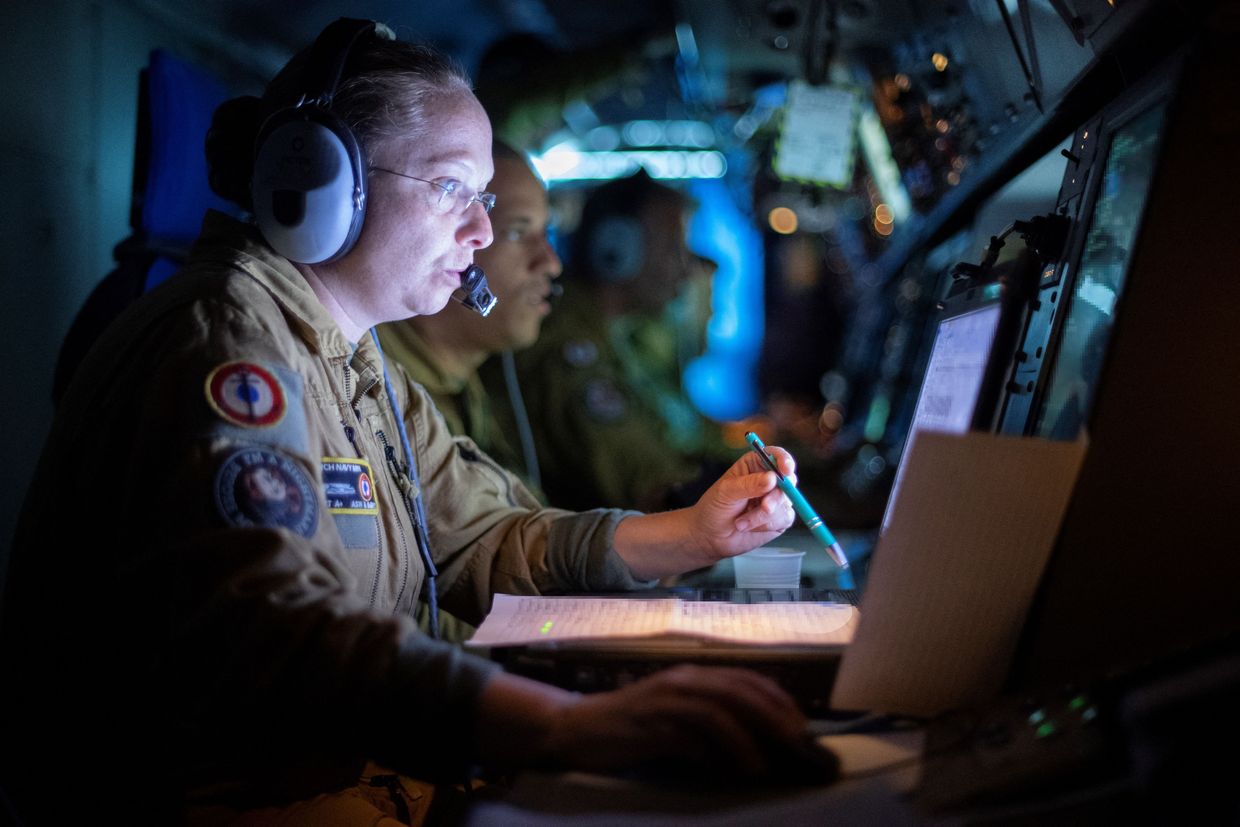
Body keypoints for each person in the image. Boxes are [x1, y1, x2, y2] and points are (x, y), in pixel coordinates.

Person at [0, 19, 828, 825]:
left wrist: (689, 536)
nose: (478, 231)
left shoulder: (359, 363)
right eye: (451, 190)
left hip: (351, 781)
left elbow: (485, 536)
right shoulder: (227, 346)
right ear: (324, 183)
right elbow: (279, 630)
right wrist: (564, 727)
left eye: (482, 199)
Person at [514, 170, 728, 512]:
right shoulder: (568, 348)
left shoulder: (620, 337)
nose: (686, 268)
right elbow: (648, 483)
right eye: (674, 246)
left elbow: (675, 444)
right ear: (617, 248)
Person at [377, 140, 558, 496]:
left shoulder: (465, 390)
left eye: (545, 234)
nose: (551, 263)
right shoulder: (383, 400)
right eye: (518, 232)